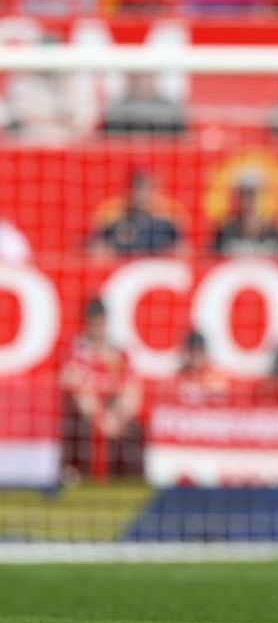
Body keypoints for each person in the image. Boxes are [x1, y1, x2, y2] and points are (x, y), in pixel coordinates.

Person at [59, 298, 143, 482]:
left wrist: (118, 416)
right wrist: (100, 418)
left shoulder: (119, 355)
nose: (98, 326)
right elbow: (76, 389)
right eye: (93, 322)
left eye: (101, 321)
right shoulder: (75, 352)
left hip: (114, 413)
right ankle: (75, 475)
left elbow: (133, 391)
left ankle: (129, 480)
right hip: (88, 416)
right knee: (77, 424)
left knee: (135, 429)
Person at [90, 170, 183, 257]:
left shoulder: (165, 217)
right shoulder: (114, 215)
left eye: (147, 189)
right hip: (124, 267)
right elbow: (97, 247)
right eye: (138, 189)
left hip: (156, 267)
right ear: (129, 190)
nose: (142, 195)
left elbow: (182, 248)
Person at [211, 177, 278, 257]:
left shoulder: (274, 233)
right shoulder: (226, 232)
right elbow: (209, 258)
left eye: (253, 197)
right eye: (244, 197)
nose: (248, 203)